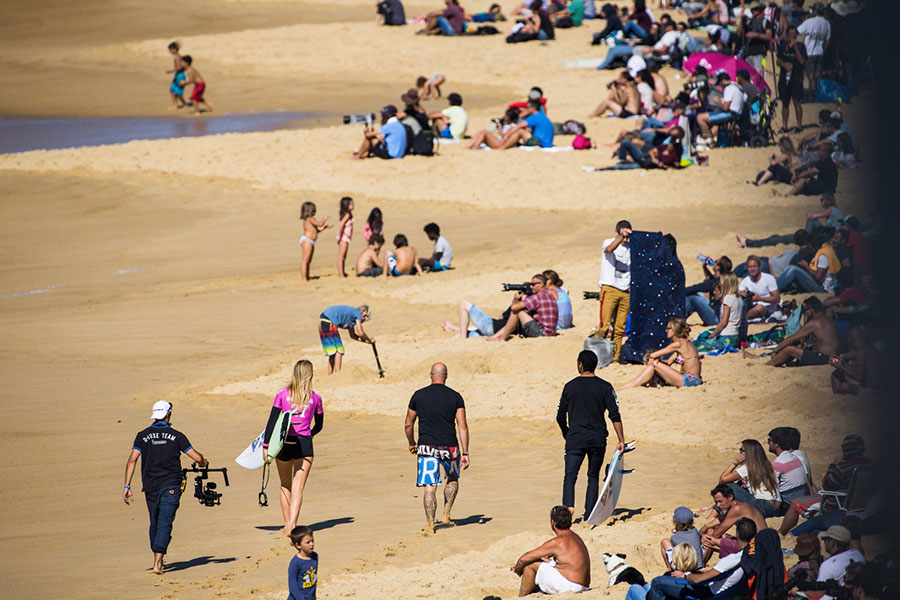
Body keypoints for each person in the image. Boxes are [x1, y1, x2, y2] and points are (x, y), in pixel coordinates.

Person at [123, 400, 208, 574]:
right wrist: (203, 462)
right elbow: (196, 457)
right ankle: (157, 564)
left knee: (154, 522)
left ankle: (158, 559)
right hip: (171, 486)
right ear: (168, 414)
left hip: (150, 486)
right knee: (164, 522)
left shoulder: (142, 435)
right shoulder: (177, 436)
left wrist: (127, 485)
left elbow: (132, 459)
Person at [556, 350, 625, 520]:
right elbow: (615, 415)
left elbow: (559, 416)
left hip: (575, 438)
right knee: (593, 476)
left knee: (570, 476)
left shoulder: (570, 386)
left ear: (580, 364)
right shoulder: (605, 386)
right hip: (597, 438)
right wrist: (621, 440)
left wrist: (567, 433)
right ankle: (590, 513)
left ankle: (569, 507)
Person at [404, 363, 470, 534]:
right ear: (446, 376)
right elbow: (462, 426)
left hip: (426, 447)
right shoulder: (455, 397)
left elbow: (408, 424)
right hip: (450, 447)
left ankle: (430, 524)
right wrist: (465, 452)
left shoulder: (418, 395)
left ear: (430, 375)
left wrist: (412, 443)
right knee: (453, 479)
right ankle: (446, 515)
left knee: (429, 486)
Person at [263, 360, 324, 533]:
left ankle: (287, 523)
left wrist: (266, 446)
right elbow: (319, 425)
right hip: (304, 445)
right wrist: (308, 435)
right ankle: (292, 525)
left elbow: (272, 421)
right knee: (298, 486)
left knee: (285, 484)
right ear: (310, 375)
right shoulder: (316, 398)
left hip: (283, 444)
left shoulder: (282, 395)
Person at [779, 434, 871, 536]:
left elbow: (827, 485)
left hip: (837, 503)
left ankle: (785, 534)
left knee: (795, 504)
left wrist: (834, 465)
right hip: (860, 505)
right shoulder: (869, 465)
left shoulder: (843, 467)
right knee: (814, 530)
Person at [647, 518, 757, 600]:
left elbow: (697, 580)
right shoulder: (751, 556)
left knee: (657, 582)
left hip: (706, 591)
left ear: (737, 535)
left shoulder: (733, 559)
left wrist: (684, 576)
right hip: (722, 591)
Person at [511, 506, 591, 596]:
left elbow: (523, 559)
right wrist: (524, 563)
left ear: (552, 523)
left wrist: (518, 569)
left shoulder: (557, 542)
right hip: (583, 585)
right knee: (537, 561)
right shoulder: (575, 537)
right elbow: (541, 558)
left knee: (531, 565)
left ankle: (521, 597)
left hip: (571, 587)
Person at [621, 318, 702, 389]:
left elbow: (653, 355)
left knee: (654, 364)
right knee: (655, 364)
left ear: (674, 330)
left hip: (689, 381)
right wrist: (659, 363)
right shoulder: (686, 343)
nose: (666, 330)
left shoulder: (678, 344)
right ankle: (633, 384)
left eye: (668, 328)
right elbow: (669, 362)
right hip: (693, 380)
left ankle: (630, 386)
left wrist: (654, 360)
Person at [764, 296, 838, 366]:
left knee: (789, 349)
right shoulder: (827, 319)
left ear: (811, 310)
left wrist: (775, 350)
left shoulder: (814, 323)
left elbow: (790, 339)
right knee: (799, 346)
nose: (804, 313)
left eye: (805, 310)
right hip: (833, 358)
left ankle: (768, 365)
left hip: (824, 358)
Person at [698, 486, 766, 560]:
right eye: (716, 502)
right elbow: (716, 522)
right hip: (755, 543)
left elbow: (717, 534)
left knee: (709, 540)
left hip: (756, 548)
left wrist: (703, 536)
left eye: (720, 501)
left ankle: (700, 565)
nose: (718, 505)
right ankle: (701, 565)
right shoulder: (737, 506)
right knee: (710, 532)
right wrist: (705, 528)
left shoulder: (737, 509)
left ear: (730, 497)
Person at [718, 439, 782, 518]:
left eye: (742, 451)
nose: (740, 453)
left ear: (749, 453)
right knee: (740, 484)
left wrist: (735, 462)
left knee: (727, 486)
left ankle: (716, 513)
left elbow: (723, 479)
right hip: (776, 507)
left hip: (762, 505)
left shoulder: (748, 468)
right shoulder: (768, 465)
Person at [597, 220, 631, 362]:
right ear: (616, 233)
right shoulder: (609, 242)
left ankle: (615, 358)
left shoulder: (631, 247)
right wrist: (620, 237)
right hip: (610, 289)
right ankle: (596, 355)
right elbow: (609, 249)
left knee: (619, 329)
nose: (625, 239)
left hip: (625, 292)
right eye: (623, 235)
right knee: (604, 326)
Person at [486, 273, 559, 340]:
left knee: (517, 311)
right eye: (530, 284)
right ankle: (494, 337)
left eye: (533, 284)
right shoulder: (549, 295)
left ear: (541, 284)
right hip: (550, 332)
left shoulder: (537, 297)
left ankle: (502, 337)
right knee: (519, 314)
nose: (531, 286)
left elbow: (514, 308)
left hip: (542, 333)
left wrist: (516, 299)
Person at [467, 98, 553, 149]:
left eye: (528, 107)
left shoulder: (534, 117)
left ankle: (502, 148)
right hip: (544, 142)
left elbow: (519, 126)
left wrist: (506, 136)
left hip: (541, 143)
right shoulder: (542, 116)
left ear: (532, 108)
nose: (526, 109)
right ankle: (469, 147)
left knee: (519, 130)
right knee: (482, 132)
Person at [318, 304, 375, 374]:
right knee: (339, 350)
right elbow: (361, 333)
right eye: (365, 319)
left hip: (322, 321)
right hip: (329, 321)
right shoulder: (357, 313)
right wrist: (369, 339)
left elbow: (353, 335)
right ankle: (338, 375)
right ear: (363, 314)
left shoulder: (351, 319)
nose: (362, 322)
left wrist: (366, 341)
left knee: (332, 353)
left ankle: (330, 375)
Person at [696, 71, 745, 144]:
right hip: (737, 113)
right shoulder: (738, 87)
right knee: (712, 120)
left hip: (731, 114)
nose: (720, 86)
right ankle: (711, 139)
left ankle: (709, 142)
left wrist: (718, 101)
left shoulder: (729, 88)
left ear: (723, 81)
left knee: (700, 118)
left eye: (720, 83)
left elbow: (725, 108)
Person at [767, 427, 811, 505]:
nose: (768, 443)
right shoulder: (795, 458)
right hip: (798, 500)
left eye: (769, 440)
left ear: (777, 444)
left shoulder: (782, 462)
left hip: (788, 504)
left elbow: (768, 487)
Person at [684, 255, 732, 326]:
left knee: (693, 297)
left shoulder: (717, 282)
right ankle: (680, 318)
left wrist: (681, 291)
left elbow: (700, 287)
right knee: (697, 296)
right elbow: (710, 280)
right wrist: (704, 267)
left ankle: (677, 318)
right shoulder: (723, 279)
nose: (713, 262)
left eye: (715, 262)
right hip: (716, 314)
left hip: (715, 319)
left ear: (718, 267)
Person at [777, 25, 807, 132]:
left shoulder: (801, 46)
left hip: (796, 77)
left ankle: (799, 125)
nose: (793, 35)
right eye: (791, 33)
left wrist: (795, 48)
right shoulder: (783, 46)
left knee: (797, 102)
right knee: (785, 102)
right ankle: (785, 126)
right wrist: (784, 65)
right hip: (784, 77)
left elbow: (802, 61)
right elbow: (778, 60)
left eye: (795, 33)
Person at [831, 326, 876, 395]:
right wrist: (842, 363)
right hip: (870, 386)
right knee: (838, 374)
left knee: (844, 386)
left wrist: (841, 367)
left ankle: (839, 399)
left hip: (873, 391)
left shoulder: (862, 351)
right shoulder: (867, 348)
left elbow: (859, 376)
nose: (848, 340)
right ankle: (839, 398)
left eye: (850, 338)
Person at [798, 2, 831, 93]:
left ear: (815, 11)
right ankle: (818, 92)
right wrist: (823, 50)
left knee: (811, 76)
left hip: (809, 52)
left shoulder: (810, 22)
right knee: (818, 74)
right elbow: (828, 40)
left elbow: (797, 31)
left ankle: (812, 93)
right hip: (820, 52)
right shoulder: (826, 23)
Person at [738, 255, 781, 320]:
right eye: (750, 267)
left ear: (760, 267)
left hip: (767, 309)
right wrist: (741, 293)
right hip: (751, 308)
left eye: (754, 266)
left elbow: (777, 298)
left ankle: (741, 319)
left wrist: (760, 298)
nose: (752, 269)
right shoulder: (745, 281)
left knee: (759, 308)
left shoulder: (768, 278)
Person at [298, 201, 332, 283]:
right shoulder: (309, 219)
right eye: (314, 211)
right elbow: (320, 224)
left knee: (308, 261)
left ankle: (307, 277)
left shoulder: (312, 220)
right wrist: (325, 218)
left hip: (311, 241)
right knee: (305, 260)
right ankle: (304, 279)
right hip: (307, 241)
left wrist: (325, 227)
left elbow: (317, 230)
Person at [741, 1, 773, 76]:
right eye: (752, 10)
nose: (753, 11)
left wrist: (756, 35)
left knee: (759, 75)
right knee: (749, 76)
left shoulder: (765, 21)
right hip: (748, 53)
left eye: (755, 9)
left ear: (760, 9)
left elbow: (769, 36)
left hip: (759, 53)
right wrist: (742, 21)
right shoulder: (749, 22)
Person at [288, 525, 318, 599]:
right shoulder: (295, 562)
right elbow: (293, 586)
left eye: (312, 541)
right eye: (308, 542)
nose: (312, 544)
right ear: (298, 545)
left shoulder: (315, 556)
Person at [336, 196, 354, 279]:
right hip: (343, 238)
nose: (353, 205)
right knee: (341, 257)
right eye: (351, 204)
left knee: (344, 256)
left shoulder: (349, 214)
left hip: (346, 238)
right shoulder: (346, 215)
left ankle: (342, 272)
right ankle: (341, 274)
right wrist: (338, 236)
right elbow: (341, 225)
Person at [166, 42, 186, 110]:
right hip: (177, 75)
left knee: (178, 92)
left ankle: (184, 104)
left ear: (175, 49)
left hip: (180, 75)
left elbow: (181, 67)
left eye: (170, 50)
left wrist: (171, 71)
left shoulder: (178, 57)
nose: (170, 51)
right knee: (172, 90)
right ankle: (175, 104)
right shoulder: (177, 57)